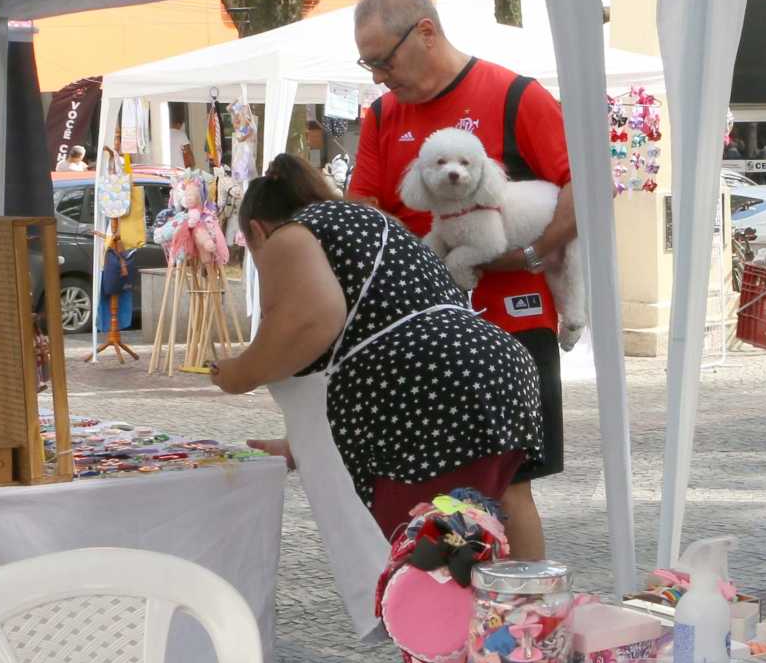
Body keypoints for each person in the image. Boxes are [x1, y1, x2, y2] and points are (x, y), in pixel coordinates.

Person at [345, 0, 573, 560]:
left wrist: (528, 254)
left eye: (382, 60)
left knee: (508, 483)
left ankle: (525, 627)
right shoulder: (380, 116)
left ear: (425, 31)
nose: (377, 75)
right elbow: (366, 209)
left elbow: (586, 188)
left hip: (510, 326)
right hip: (420, 337)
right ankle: (442, 621)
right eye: (367, 63)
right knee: (429, 490)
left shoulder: (515, 95)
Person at [213, 154, 543, 535]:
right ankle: (524, 594)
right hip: (499, 366)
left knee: (427, 547)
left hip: (432, 388)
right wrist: (296, 445)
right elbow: (369, 327)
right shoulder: (373, 222)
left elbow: (309, 325)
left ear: (257, 230)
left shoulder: (290, 235)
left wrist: (238, 374)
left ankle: (434, 596)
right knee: (500, 510)